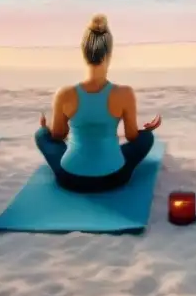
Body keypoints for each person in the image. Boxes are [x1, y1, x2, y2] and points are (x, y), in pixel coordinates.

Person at [35, 14, 161, 193]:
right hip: (114, 177)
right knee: (147, 138)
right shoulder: (125, 93)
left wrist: (46, 128)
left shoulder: (64, 94)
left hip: (71, 178)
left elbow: (58, 136)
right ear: (109, 54)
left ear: (83, 51)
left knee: (41, 135)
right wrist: (145, 131)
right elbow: (132, 137)